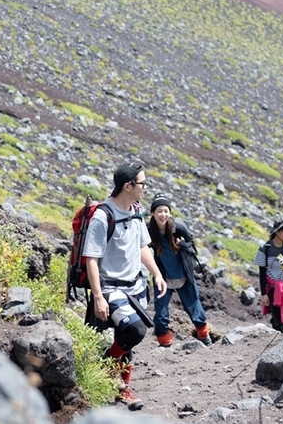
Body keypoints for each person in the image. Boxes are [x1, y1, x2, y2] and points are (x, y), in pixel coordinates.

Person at [84, 163, 167, 411]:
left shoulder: (136, 211)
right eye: (142, 184)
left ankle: (122, 388)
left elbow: (142, 247)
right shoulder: (103, 216)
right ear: (127, 186)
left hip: (136, 287)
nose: (145, 188)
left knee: (127, 339)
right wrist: (98, 296)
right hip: (112, 288)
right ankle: (107, 365)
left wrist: (157, 273)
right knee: (135, 331)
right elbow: (91, 259)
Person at [147, 193, 211, 347]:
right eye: (159, 211)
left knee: (194, 306)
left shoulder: (178, 228)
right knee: (160, 311)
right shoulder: (149, 231)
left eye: (165, 211)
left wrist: (182, 245)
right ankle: (164, 342)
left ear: (169, 212)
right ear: (153, 213)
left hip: (183, 275)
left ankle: (203, 335)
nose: (163, 214)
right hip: (163, 278)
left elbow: (192, 246)